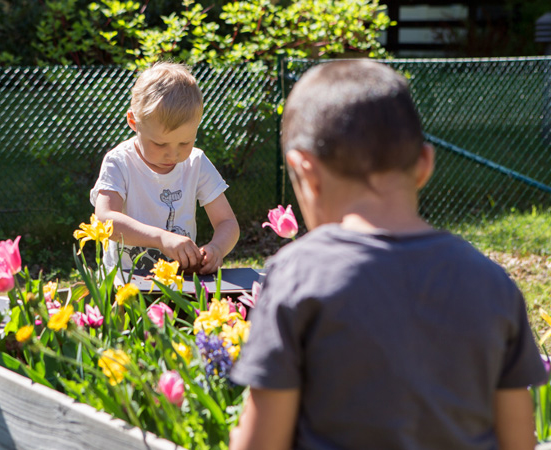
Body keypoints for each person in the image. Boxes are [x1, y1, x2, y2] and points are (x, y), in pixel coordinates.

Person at [229, 60, 547, 450]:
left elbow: (261, 444)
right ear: (425, 166)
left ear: (305, 171)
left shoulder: (297, 273)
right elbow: (520, 442)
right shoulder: (492, 282)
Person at [90, 61, 239, 274]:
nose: (173, 154)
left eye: (185, 143)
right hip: (124, 285)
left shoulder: (196, 163)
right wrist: (161, 238)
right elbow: (105, 218)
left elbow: (227, 222)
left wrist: (217, 248)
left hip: (179, 282)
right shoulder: (119, 162)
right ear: (133, 121)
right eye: (160, 144)